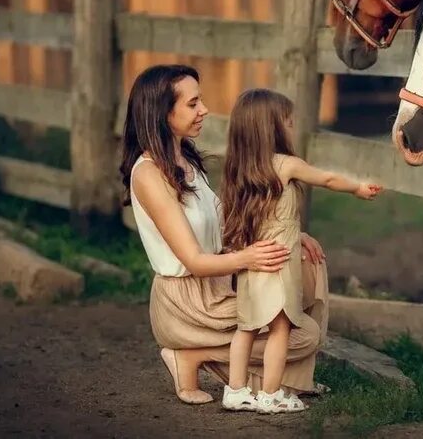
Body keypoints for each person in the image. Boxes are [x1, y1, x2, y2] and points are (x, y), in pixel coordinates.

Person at [120, 65, 330, 405]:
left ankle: (279, 382)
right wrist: (249, 258)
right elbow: (193, 260)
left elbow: (227, 221)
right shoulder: (148, 174)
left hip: (219, 282)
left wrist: (291, 234)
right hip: (187, 299)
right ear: (162, 112)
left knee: (308, 266)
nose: (204, 109)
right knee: (301, 335)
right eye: (192, 103)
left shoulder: (185, 159)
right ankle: (191, 355)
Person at [221, 88, 382, 413]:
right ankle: (270, 395)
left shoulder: (239, 171)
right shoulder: (286, 165)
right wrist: (357, 188)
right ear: (272, 128)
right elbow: (328, 179)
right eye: (288, 122)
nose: (292, 128)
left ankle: (235, 391)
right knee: (281, 329)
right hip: (279, 265)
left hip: (252, 265)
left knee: (246, 328)